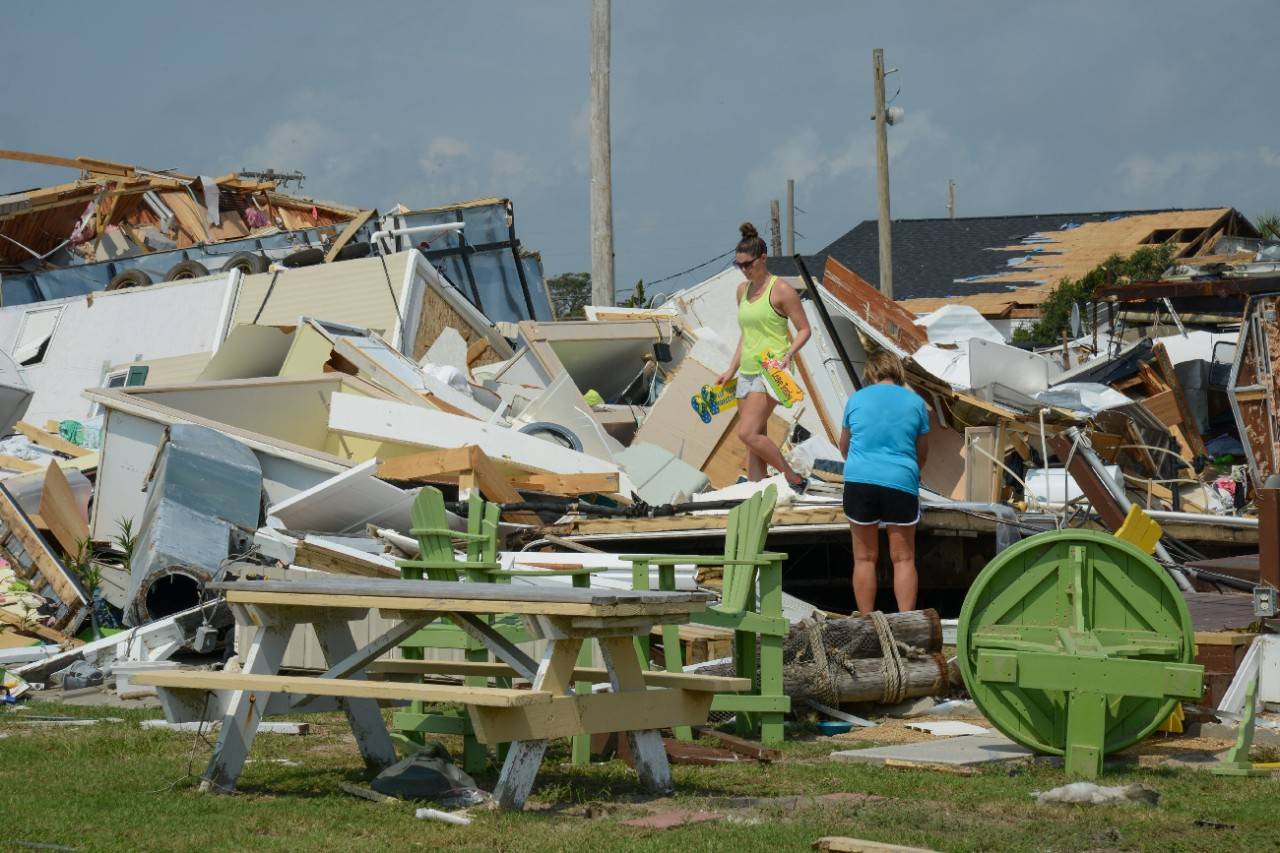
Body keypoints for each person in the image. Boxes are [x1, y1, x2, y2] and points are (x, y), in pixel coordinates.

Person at [715, 222, 811, 492]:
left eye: (748, 264)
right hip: (746, 371)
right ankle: (755, 491)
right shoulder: (741, 291)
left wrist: (790, 354)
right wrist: (731, 369)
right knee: (754, 441)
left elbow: (804, 329)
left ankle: (792, 477)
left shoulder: (781, 290)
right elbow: (746, 335)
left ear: (763, 258)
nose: (744, 270)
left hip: (771, 370)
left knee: (747, 433)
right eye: (739, 265)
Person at [838, 350, 930, 613]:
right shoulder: (917, 404)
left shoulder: (856, 399)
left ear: (871, 372)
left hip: (860, 481)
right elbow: (922, 452)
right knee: (903, 558)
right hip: (900, 480)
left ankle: (867, 621)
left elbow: (844, 447)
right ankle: (906, 621)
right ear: (898, 372)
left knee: (864, 558)